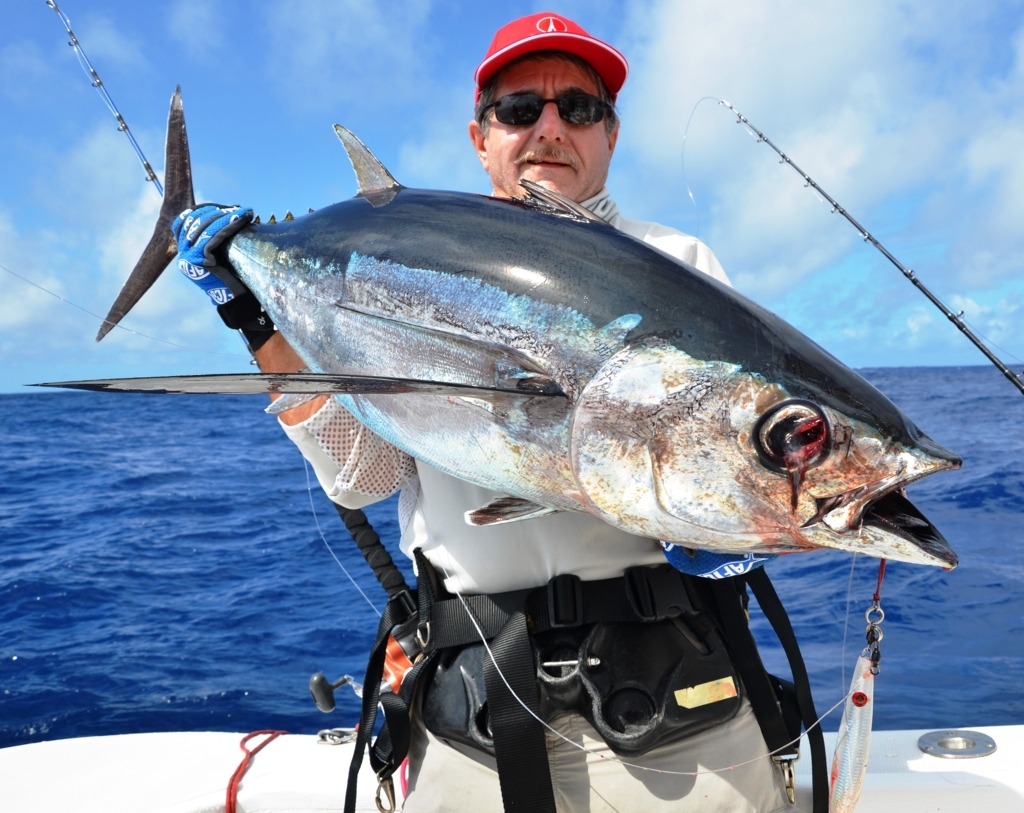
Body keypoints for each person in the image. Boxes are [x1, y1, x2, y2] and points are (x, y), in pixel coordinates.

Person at [175, 12, 810, 813]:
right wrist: (257, 320)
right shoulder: (395, 260)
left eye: (579, 108)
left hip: (678, 719)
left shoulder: (682, 266)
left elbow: (758, 463)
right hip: (474, 711)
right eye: (519, 109)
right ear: (481, 136)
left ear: (610, 134)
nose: (550, 127)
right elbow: (364, 473)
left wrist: (736, 534)